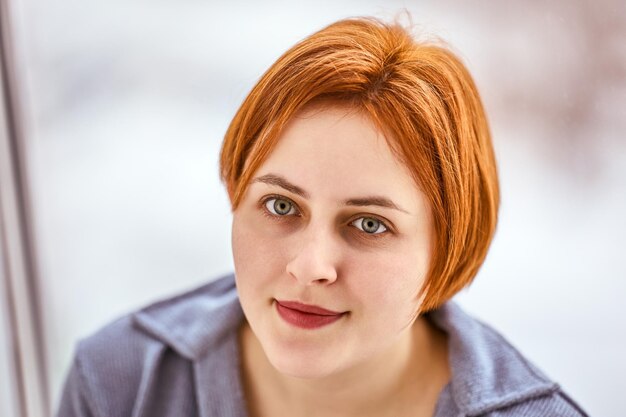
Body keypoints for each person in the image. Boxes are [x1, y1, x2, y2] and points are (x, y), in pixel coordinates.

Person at [56, 17, 588, 417]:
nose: (311, 267)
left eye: (369, 223)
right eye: (281, 206)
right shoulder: (119, 383)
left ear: (446, 246)